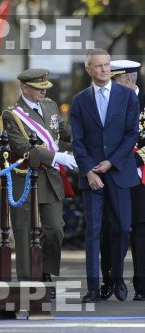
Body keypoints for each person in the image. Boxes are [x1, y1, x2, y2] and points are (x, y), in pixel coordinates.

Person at [70, 49, 140, 303]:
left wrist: (111, 162)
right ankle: (93, 286)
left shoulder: (127, 96)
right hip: (92, 176)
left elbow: (131, 134)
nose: (103, 69)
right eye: (98, 66)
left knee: (122, 227)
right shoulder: (79, 100)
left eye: (106, 65)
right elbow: (77, 141)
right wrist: (89, 170)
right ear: (89, 69)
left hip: (119, 171)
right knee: (94, 232)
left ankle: (117, 278)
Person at [1, 69, 75, 296]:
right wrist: (57, 157)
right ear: (24, 88)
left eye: (45, 87)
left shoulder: (51, 106)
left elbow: (65, 133)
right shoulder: (12, 114)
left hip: (50, 179)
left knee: (55, 230)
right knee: (24, 232)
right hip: (25, 179)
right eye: (38, 87)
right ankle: (29, 282)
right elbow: (24, 149)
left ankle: (46, 272)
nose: (44, 90)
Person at [105, 59, 145, 301]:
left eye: (115, 81)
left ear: (129, 79)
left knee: (140, 230)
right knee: (112, 229)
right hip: (113, 172)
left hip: (140, 174)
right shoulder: (107, 102)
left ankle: (141, 284)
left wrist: (133, 161)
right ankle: (110, 281)